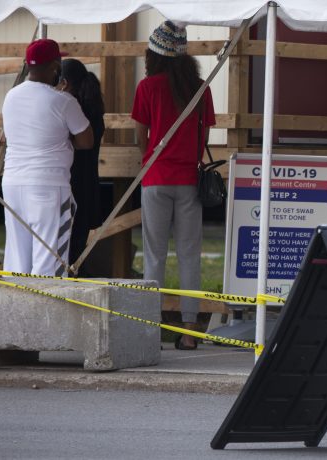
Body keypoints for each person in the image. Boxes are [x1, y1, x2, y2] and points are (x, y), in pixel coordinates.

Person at [131, 21, 216, 350]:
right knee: (189, 255)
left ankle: (151, 330)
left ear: (155, 55)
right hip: (188, 179)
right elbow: (204, 134)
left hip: (156, 177)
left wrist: (149, 158)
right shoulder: (201, 88)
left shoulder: (147, 87)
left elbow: (141, 134)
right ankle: (189, 331)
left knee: (155, 255)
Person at [2, 39, 93, 276]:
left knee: (17, 261)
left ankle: (15, 301)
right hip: (48, 186)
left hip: (12, 183)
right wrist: (65, 139)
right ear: (55, 66)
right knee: (49, 263)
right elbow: (86, 141)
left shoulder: (10, 96)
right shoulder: (63, 101)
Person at [58, 59, 105, 275]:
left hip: (70, 184)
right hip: (88, 185)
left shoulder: (70, 107)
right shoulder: (93, 107)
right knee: (77, 249)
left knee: (62, 250)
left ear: (65, 83)